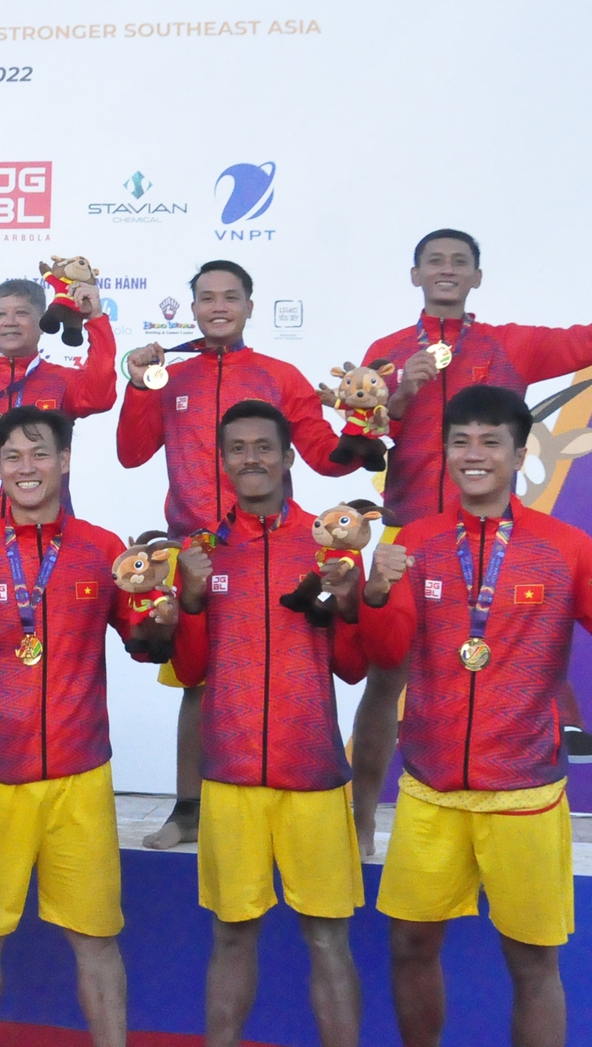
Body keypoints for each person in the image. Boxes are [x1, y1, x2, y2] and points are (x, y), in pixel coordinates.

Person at [360, 385, 592, 1047]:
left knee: (534, 962)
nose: (473, 454)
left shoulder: (565, 547)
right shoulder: (416, 542)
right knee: (408, 946)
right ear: (445, 451)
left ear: (518, 453)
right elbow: (385, 649)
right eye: (460, 440)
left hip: (526, 794)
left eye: (490, 441)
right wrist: (374, 589)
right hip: (430, 791)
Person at [347, 227, 592, 855]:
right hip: (413, 529)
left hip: (497, 538)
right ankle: (358, 819)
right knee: (386, 681)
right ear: (415, 276)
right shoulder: (383, 351)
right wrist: (400, 391)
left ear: (476, 279)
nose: (446, 271)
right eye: (434, 261)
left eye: (459, 262)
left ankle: (502, 800)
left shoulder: (509, 346)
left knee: (510, 665)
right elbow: (362, 439)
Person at [0, 406, 170, 1047]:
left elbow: (146, 645)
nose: (27, 468)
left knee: (97, 939)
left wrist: (165, 609)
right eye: (14, 457)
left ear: (64, 463)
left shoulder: (104, 549)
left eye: (40, 455)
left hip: (81, 775)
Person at [116, 259, 358, 850]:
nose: (218, 306)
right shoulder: (169, 376)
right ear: (192, 308)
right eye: (206, 298)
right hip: (195, 549)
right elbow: (130, 452)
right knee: (195, 680)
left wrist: (369, 426)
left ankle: (301, 794)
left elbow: (326, 455)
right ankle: (188, 809)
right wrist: (136, 384)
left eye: (230, 296)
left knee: (287, 667)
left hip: (270, 544)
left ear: (251, 305)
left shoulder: (280, 374)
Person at [166, 400, 370, 1047]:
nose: (250, 457)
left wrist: (346, 603)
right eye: (236, 448)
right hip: (228, 775)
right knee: (230, 934)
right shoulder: (203, 551)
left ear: (287, 457)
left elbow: (354, 668)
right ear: (222, 461)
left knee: (327, 936)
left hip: (312, 773)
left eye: (263, 446)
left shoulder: (330, 541)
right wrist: (192, 599)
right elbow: (190, 666)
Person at [0, 276, 119, 835]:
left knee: (58, 678)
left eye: (20, 313)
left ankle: (65, 790)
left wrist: (97, 323)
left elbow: (103, 393)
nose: (9, 322)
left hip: (50, 551)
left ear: (39, 322)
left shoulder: (57, 380)